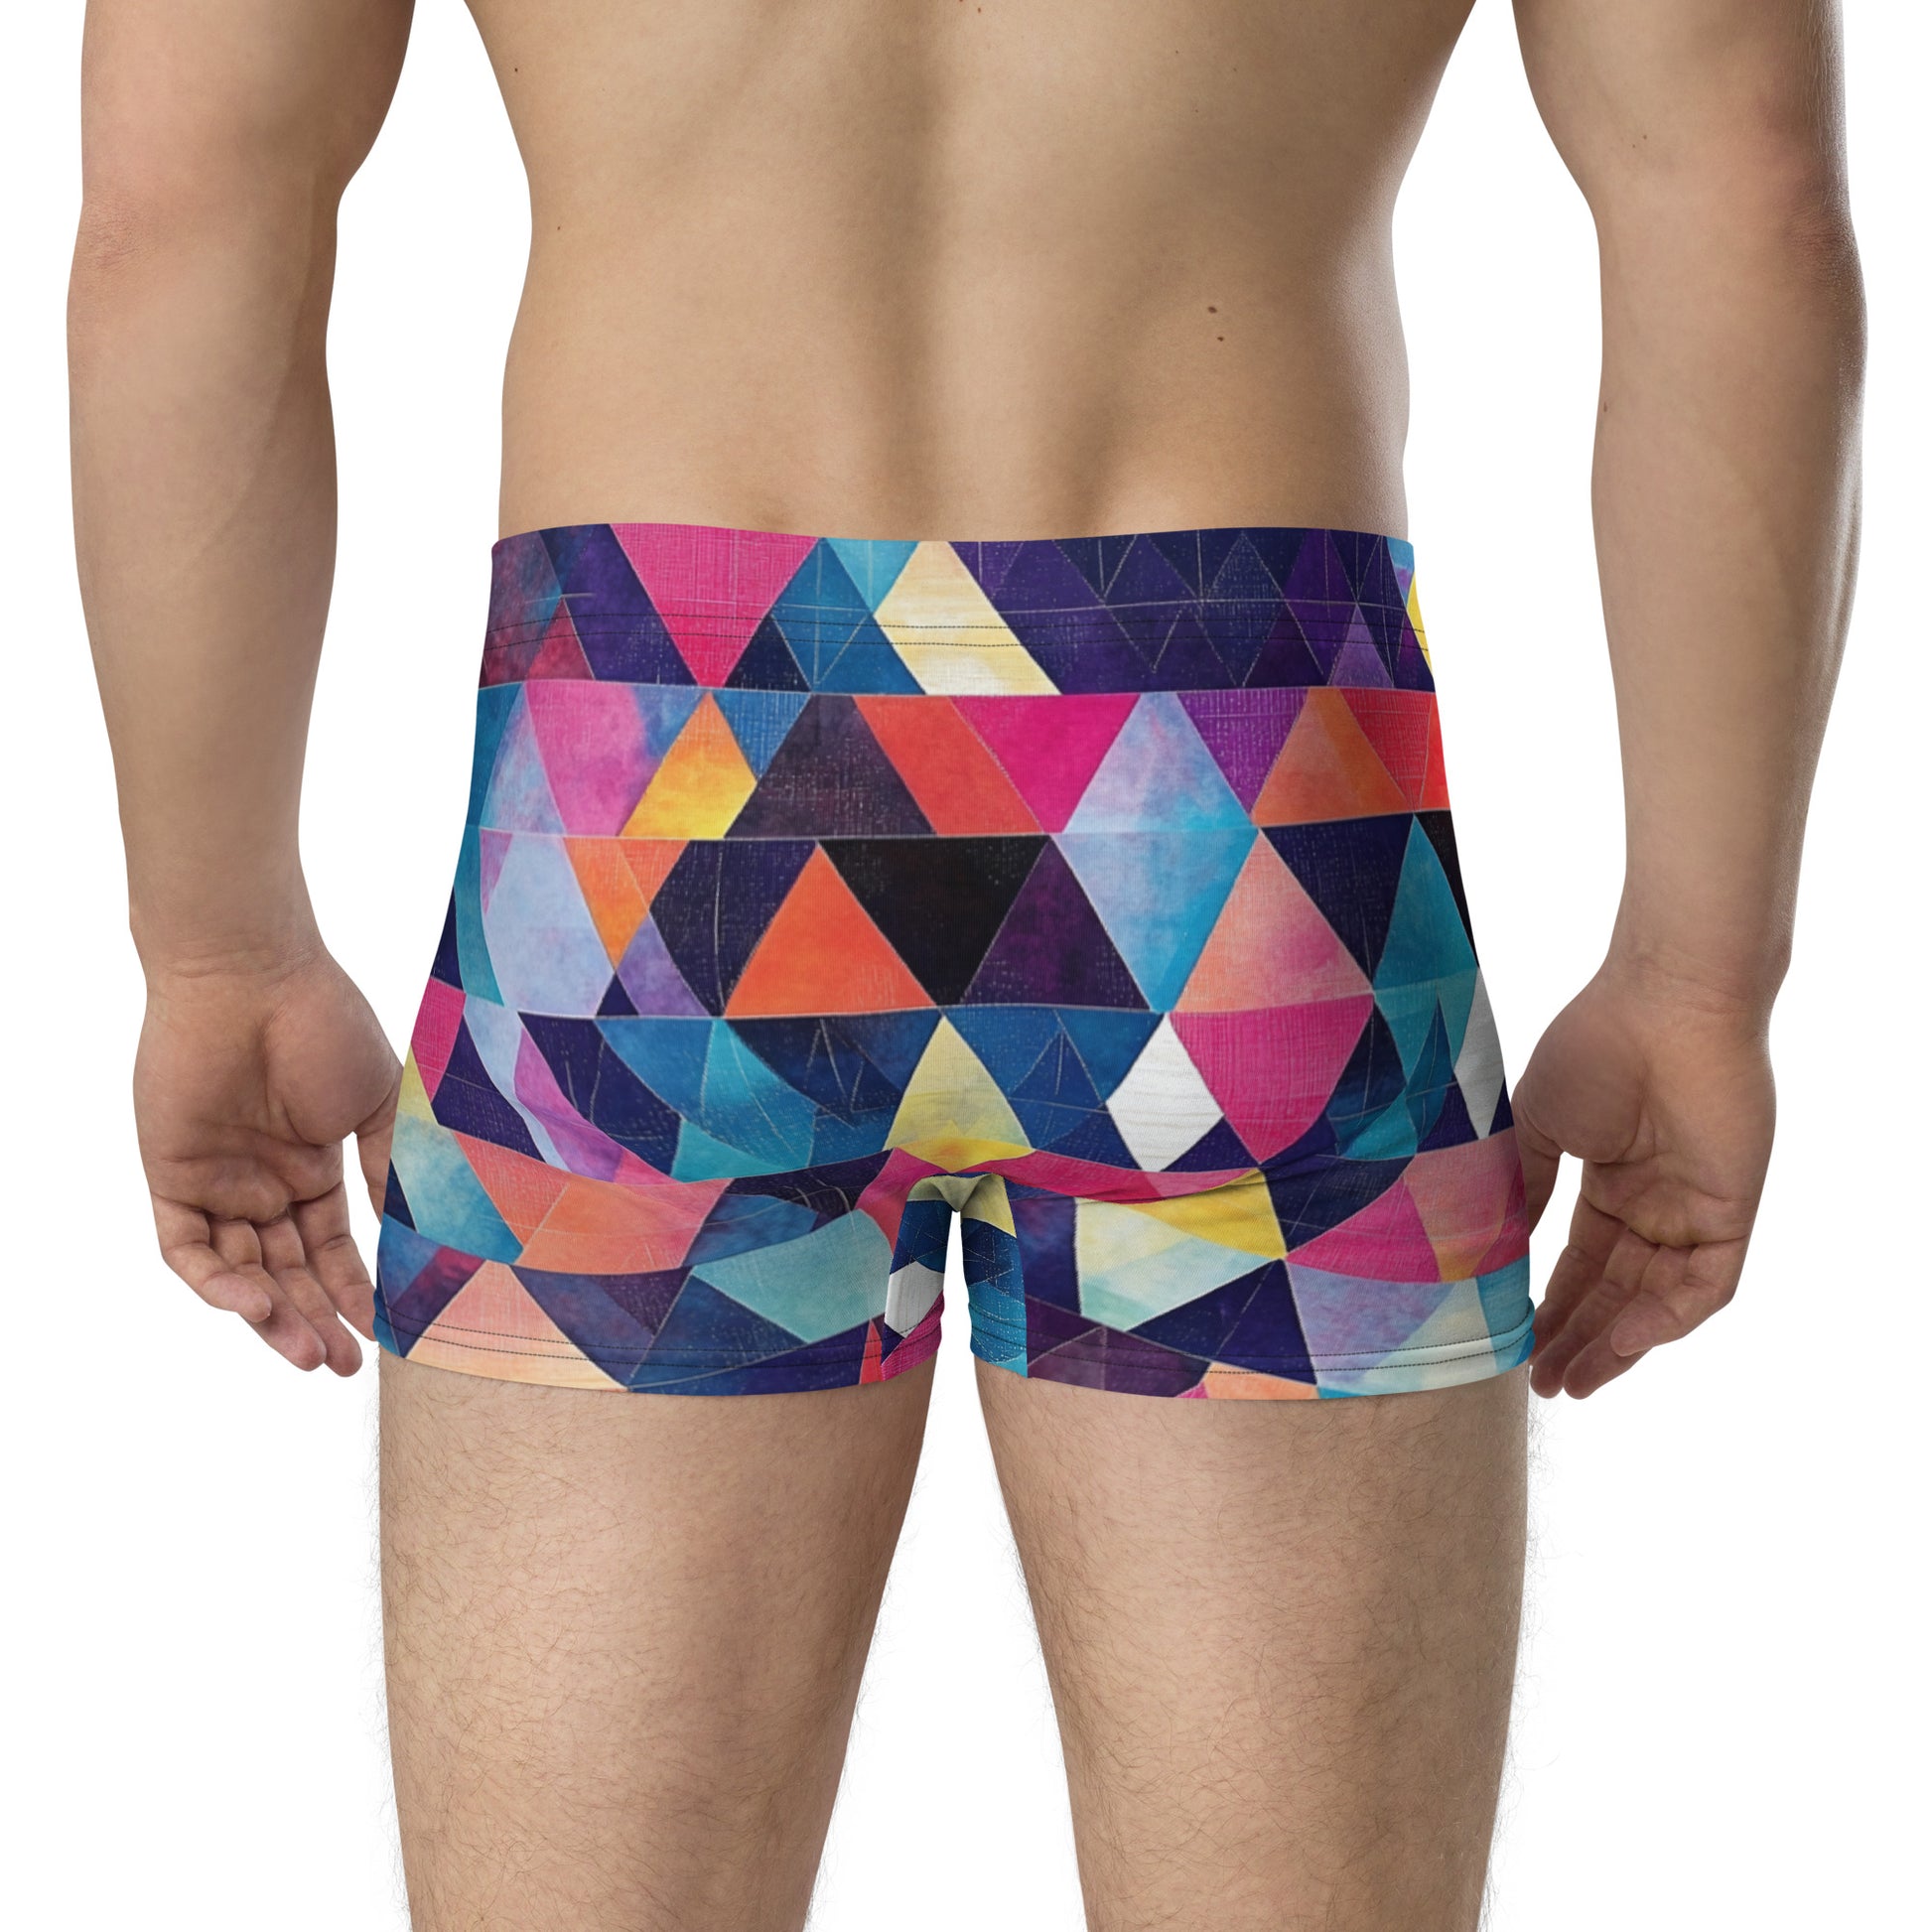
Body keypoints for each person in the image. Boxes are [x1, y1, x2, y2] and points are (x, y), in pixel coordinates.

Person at [68, 0, 1862, 1923]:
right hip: (1234, 809)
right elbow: (1737, 197)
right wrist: (1701, 972)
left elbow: (188, 211)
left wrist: (216, 940)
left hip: (656, 819)